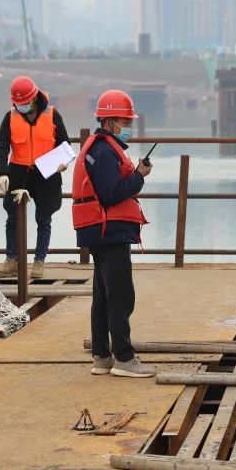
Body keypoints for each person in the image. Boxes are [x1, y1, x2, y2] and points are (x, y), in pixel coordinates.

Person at [73, 89, 154, 378]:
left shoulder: (98, 148)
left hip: (100, 230)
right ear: (108, 121)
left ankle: (101, 356)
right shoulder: (104, 151)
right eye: (123, 120)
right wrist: (138, 177)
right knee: (120, 295)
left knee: (103, 295)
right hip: (109, 231)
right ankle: (123, 357)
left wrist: (134, 176)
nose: (127, 127)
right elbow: (110, 194)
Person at [0, 76, 70, 280]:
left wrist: (62, 162)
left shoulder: (53, 115)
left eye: (25, 103)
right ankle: (12, 260)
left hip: (47, 172)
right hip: (18, 171)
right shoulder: (10, 117)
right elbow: (1, 146)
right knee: (12, 217)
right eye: (18, 104)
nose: (21, 107)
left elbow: (64, 145)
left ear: (34, 98)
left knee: (43, 218)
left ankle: (39, 261)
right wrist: (2, 173)